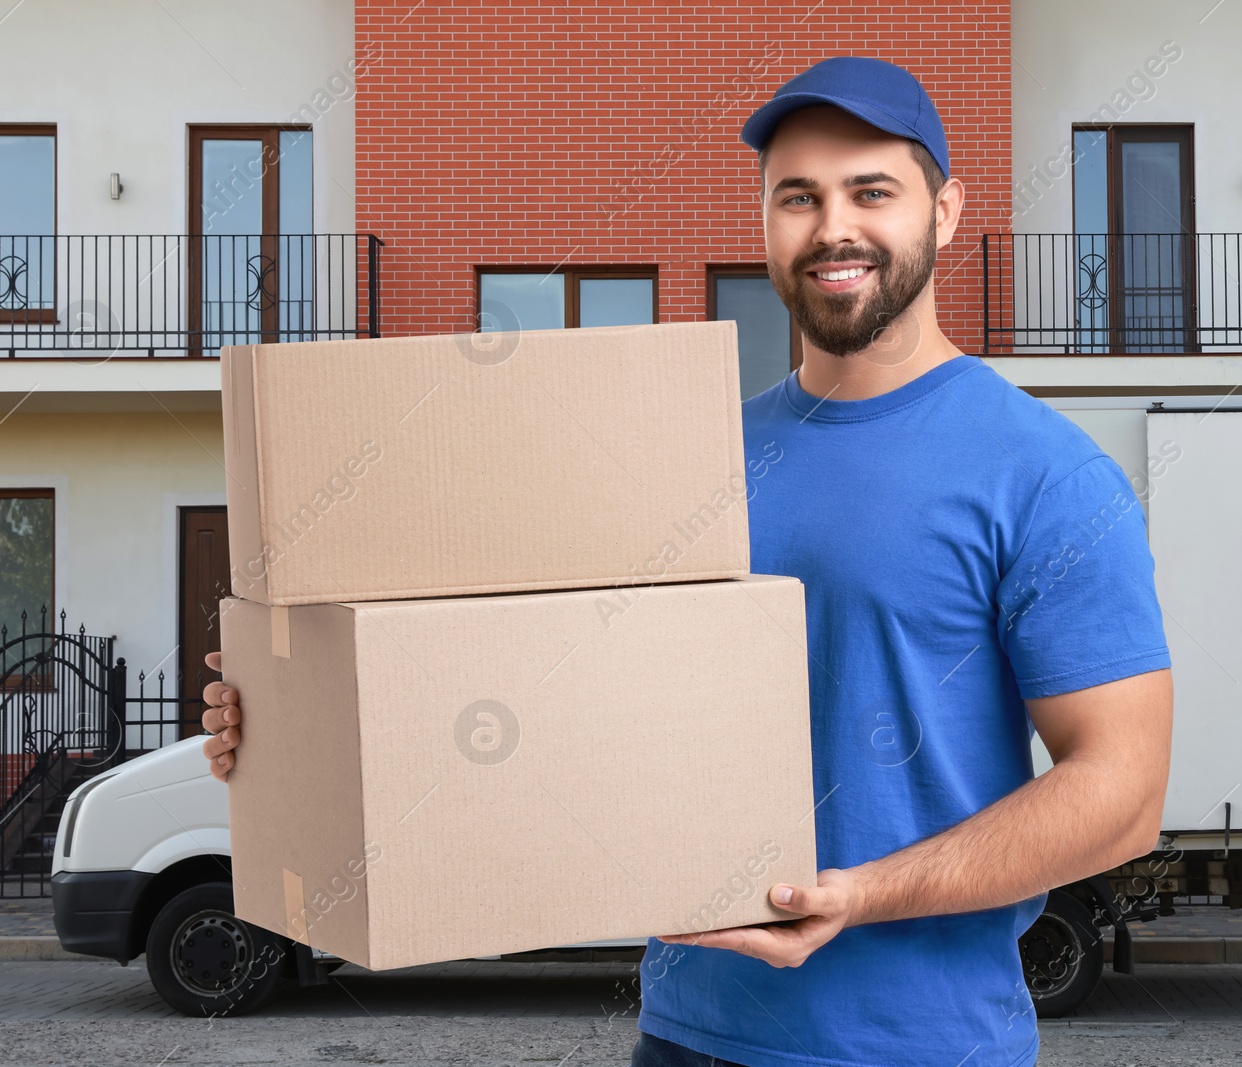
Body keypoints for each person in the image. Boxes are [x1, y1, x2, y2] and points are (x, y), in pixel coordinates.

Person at [204, 55, 1173, 1067]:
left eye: (870, 192)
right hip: (683, 1036)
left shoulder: (1046, 473)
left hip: (915, 1045)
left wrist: (858, 893)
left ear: (944, 209)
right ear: (763, 225)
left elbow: (1121, 787)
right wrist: (284, 719)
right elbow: (531, 679)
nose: (833, 226)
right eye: (797, 197)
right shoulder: (686, 459)